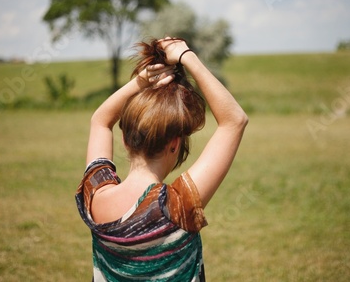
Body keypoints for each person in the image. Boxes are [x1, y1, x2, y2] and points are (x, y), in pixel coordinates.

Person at [76, 37, 248, 281]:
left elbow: (101, 121)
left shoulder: (94, 197)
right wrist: (187, 56)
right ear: (175, 144)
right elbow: (234, 120)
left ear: (124, 139)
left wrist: (141, 81)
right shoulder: (177, 206)